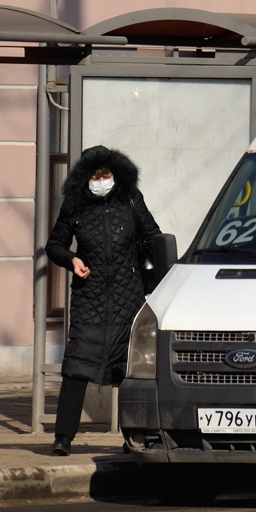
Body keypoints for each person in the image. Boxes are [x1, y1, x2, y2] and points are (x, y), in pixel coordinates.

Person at [45, 146, 161, 456]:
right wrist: (72, 260)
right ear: (85, 178)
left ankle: (132, 437)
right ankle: (62, 438)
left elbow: (153, 236)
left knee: (128, 370)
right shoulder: (75, 204)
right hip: (90, 295)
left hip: (128, 296)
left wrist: (161, 273)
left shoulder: (131, 199)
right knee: (76, 365)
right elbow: (54, 245)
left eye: (106, 175)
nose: (101, 181)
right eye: (95, 176)